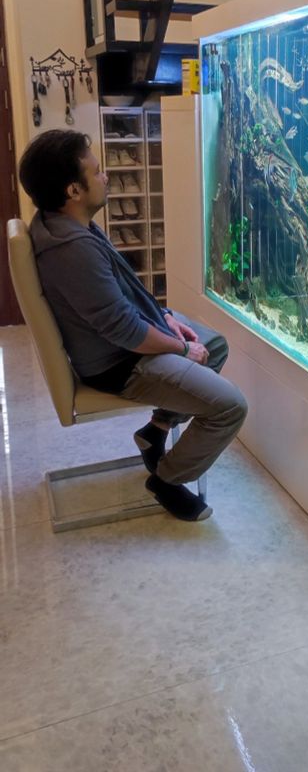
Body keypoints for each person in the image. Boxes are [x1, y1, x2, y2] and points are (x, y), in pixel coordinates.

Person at [18, 129, 247, 522]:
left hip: (122, 345)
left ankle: (155, 430)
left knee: (216, 345)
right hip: (120, 364)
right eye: (97, 171)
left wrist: (167, 320)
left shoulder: (62, 224)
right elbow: (123, 329)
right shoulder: (72, 250)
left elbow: (122, 295)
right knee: (230, 406)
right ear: (73, 190)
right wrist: (179, 347)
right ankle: (167, 480)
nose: (106, 177)